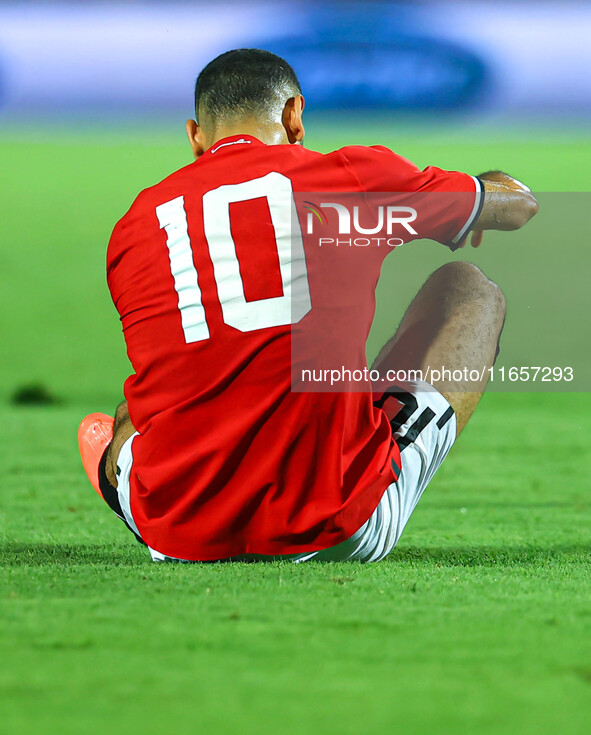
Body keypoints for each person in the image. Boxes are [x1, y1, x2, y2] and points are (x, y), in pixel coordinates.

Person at [78, 48, 538, 563]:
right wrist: (474, 191)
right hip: (334, 522)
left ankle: (145, 495)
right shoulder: (351, 179)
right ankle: (371, 449)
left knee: (121, 420)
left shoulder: (136, 222)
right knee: (468, 290)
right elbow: (517, 206)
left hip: (179, 532)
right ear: (295, 116)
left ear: (195, 136)